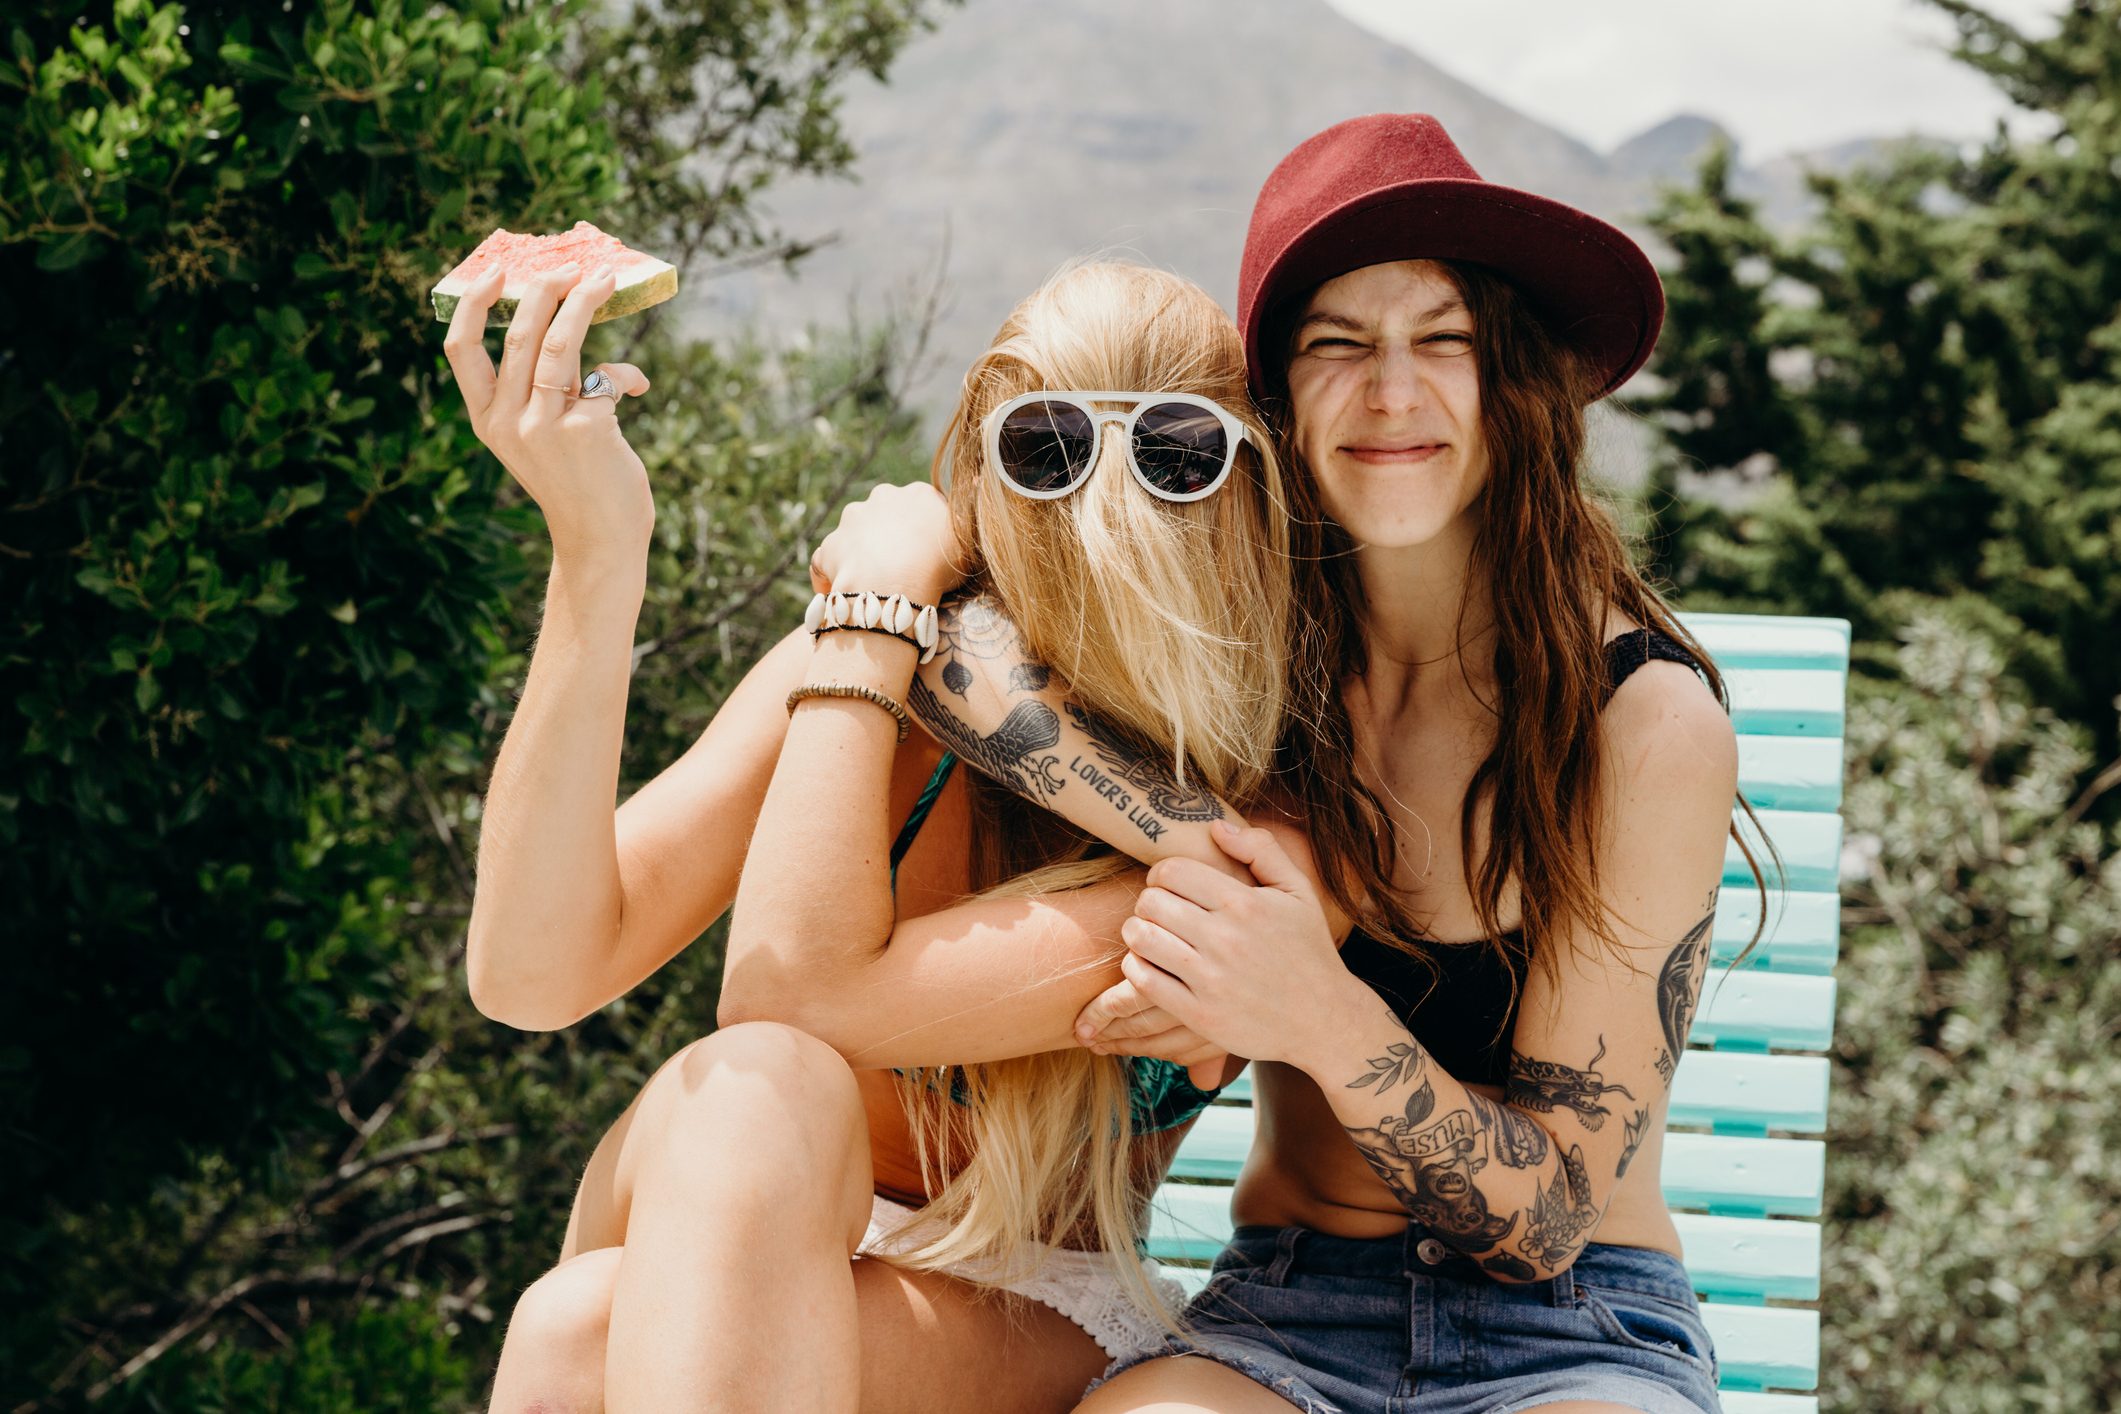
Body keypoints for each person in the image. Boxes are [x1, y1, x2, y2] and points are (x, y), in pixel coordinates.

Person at [444, 257, 1351, 1413]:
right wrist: (596, 551)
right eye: (1047, 448)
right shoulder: (868, 689)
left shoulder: (1263, 804)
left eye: (1176, 453)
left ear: (1252, 491)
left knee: (575, 1329)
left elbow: (791, 995)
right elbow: (530, 972)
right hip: (746, 1191)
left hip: (1028, 1285)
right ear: (976, 467)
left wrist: (868, 626)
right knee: (755, 1094)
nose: (1105, 500)